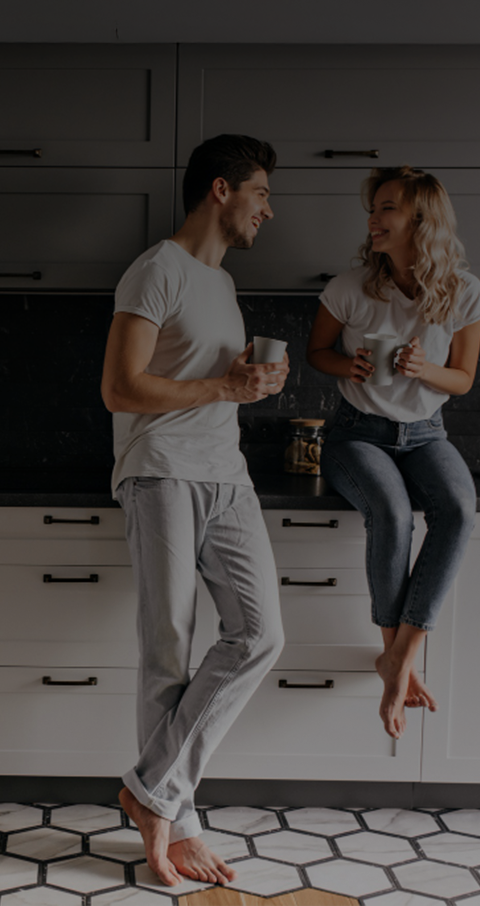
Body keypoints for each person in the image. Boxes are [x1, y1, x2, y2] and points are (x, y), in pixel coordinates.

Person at [99, 134, 288, 887]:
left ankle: (148, 791)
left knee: (260, 633)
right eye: (262, 194)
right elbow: (120, 387)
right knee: (167, 649)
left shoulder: (225, 285)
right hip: (161, 474)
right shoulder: (155, 270)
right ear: (221, 189)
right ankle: (176, 825)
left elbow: (208, 377)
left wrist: (246, 383)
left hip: (225, 476)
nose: (268, 212)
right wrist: (223, 388)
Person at [305, 166, 480, 742]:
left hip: (426, 434)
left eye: (386, 208)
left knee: (458, 509)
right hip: (357, 434)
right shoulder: (350, 286)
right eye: (375, 207)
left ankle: (401, 656)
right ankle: (394, 656)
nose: (373, 218)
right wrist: (350, 364)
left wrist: (422, 368)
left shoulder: (463, 290)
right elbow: (317, 351)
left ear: (420, 220)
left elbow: (462, 379)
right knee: (393, 514)